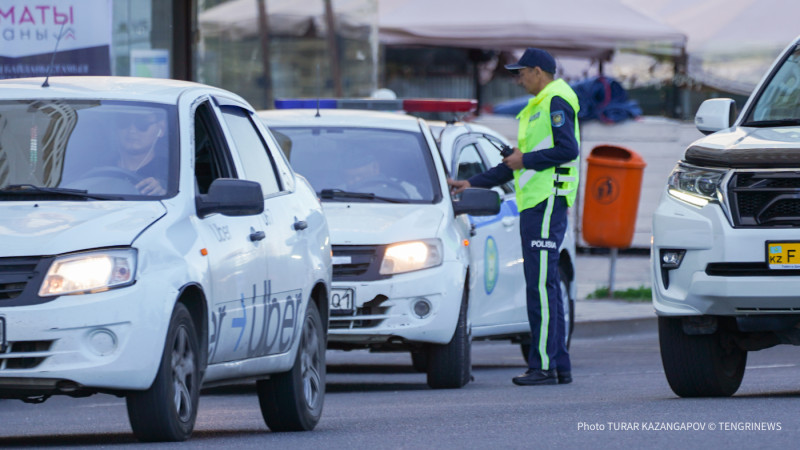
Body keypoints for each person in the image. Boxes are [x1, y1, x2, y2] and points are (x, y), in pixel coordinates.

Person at [448, 48, 581, 386]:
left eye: (521, 73)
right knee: (545, 286)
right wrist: (472, 183)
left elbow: (568, 150)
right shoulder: (538, 106)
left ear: (537, 71)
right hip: (537, 202)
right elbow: (514, 165)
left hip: (547, 201)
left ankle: (543, 367)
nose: (518, 80)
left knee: (541, 286)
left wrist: (527, 160)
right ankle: (558, 365)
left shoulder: (556, 99)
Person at [115, 110, 168, 195]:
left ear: (161, 129)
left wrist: (163, 193)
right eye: (124, 122)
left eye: (142, 123)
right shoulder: (99, 165)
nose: (132, 130)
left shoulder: (173, 172)